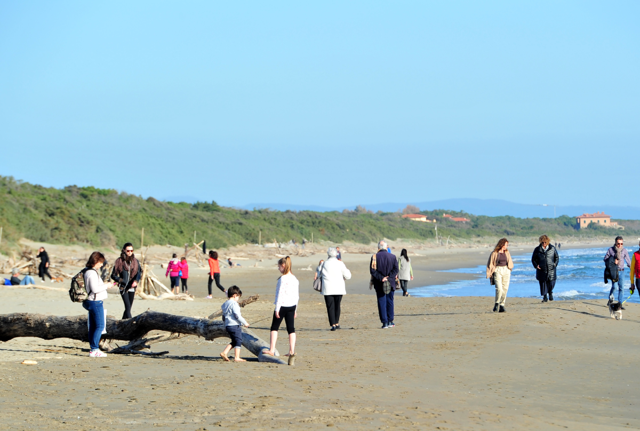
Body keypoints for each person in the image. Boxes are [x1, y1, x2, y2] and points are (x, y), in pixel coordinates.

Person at [264, 256, 299, 366]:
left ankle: (272, 349)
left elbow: (279, 295)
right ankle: (292, 351)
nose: (278, 269)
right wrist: (295, 309)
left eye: (279, 267)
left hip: (283, 305)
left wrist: (277, 309)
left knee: (274, 327)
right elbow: (296, 296)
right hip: (292, 306)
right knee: (291, 328)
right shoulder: (294, 278)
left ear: (283, 266)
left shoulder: (283, 279)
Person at [83, 251, 111, 357]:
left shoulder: (88, 271)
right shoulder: (92, 272)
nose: (102, 265)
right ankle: (94, 349)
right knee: (99, 326)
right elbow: (94, 289)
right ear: (96, 261)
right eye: (101, 262)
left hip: (91, 301)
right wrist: (106, 286)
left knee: (94, 326)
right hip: (95, 302)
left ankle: (93, 349)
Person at [319, 248, 352, 331]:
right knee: (337, 305)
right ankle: (336, 323)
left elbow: (319, 273)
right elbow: (348, 276)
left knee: (330, 306)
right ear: (336, 254)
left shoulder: (324, 263)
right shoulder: (340, 263)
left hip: (327, 288)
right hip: (339, 288)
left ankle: (333, 324)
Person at [370, 241, 399, 329]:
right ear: (386, 247)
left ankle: (385, 322)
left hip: (379, 283)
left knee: (382, 302)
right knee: (390, 301)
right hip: (391, 282)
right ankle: (390, 321)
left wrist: (382, 278)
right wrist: (389, 277)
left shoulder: (374, 257)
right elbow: (396, 269)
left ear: (378, 247)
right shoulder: (393, 256)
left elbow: (372, 271)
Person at [111, 243, 141, 319]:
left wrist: (136, 281)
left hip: (132, 287)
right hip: (123, 288)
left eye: (131, 250)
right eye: (128, 250)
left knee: (128, 309)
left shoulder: (135, 261)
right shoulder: (119, 261)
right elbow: (113, 275)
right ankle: (132, 323)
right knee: (127, 307)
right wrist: (121, 280)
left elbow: (139, 272)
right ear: (124, 250)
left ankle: (122, 323)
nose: (130, 252)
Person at [220, 286, 250, 362]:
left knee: (234, 340)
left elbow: (223, 316)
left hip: (228, 325)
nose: (238, 299)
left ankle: (224, 352)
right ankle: (237, 357)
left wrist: (225, 323)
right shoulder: (234, 304)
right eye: (238, 297)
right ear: (234, 295)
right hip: (234, 325)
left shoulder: (225, 304)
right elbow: (237, 315)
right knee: (239, 340)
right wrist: (245, 322)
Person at [486, 238, 514, 312]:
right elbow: (490, 263)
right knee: (499, 288)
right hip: (498, 270)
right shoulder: (494, 253)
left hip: (506, 270)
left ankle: (502, 305)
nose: (507, 246)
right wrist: (490, 272)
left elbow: (510, 261)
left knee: (505, 288)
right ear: (502, 245)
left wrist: (510, 268)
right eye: (506, 245)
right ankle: (497, 303)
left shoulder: (507, 252)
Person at [531, 235, 560, 303]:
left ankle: (550, 292)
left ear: (548, 242)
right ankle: (545, 297)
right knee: (543, 283)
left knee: (551, 282)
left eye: (545, 242)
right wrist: (536, 265)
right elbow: (533, 259)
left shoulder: (552, 248)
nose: (544, 244)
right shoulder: (537, 249)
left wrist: (555, 264)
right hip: (541, 270)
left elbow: (557, 257)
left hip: (551, 269)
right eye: (542, 242)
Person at [604, 236, 631, 308]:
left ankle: (620, 304)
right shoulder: (611, 250)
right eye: (618, 243)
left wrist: (632, 269)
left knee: (621, 288)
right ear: (615, 243)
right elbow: (605, 259)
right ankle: (610, 300)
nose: (620, 245)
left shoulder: (624, 250)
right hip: (614, 271)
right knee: (615, 287)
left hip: (622, 271)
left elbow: (628, 261)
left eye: (621, 244)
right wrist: (613, 261)